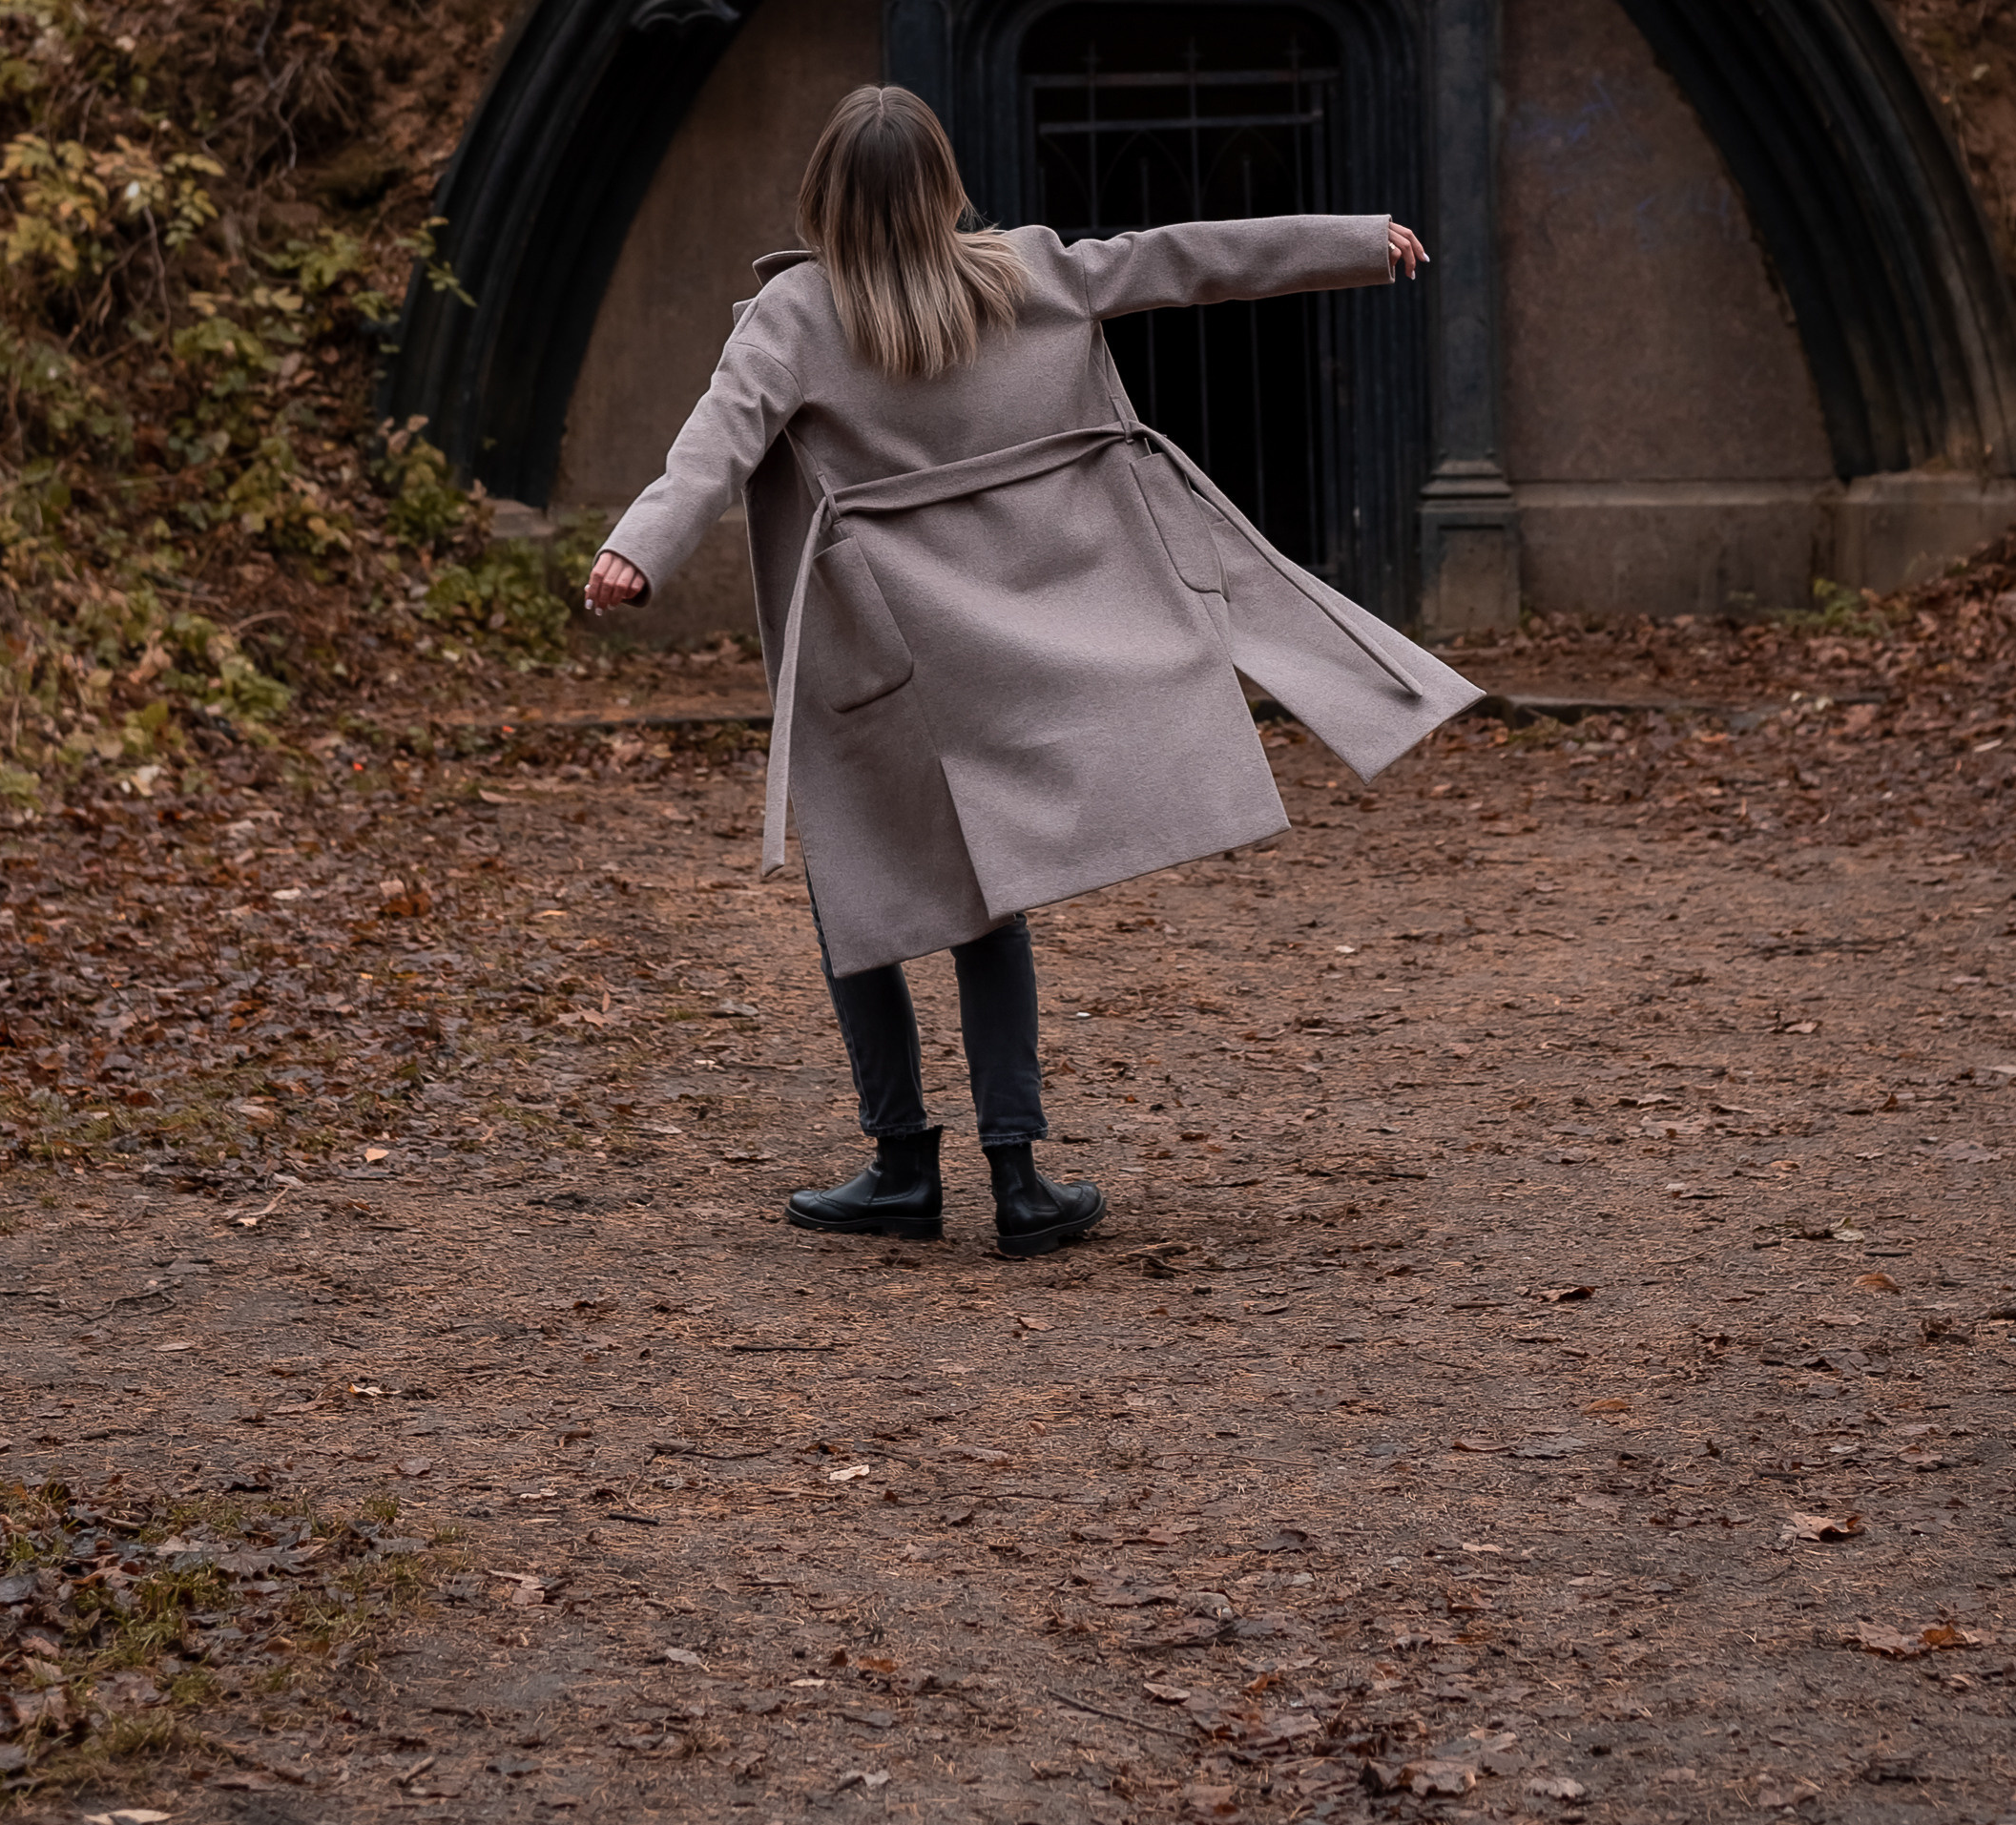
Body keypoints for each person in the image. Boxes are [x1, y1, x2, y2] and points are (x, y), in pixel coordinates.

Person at [585, 85, 1480, 1257]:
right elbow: (1179, 262)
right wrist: (1355, 243)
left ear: (823, 198)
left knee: (859, 901)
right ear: (944, 187)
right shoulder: (1023, 275)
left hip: (879, 651)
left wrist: (632, 552)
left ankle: (902, 1165)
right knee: (990, 909)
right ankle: (1017, 1179)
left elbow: (710, 450)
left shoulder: (790, 315)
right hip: (1017, 638)